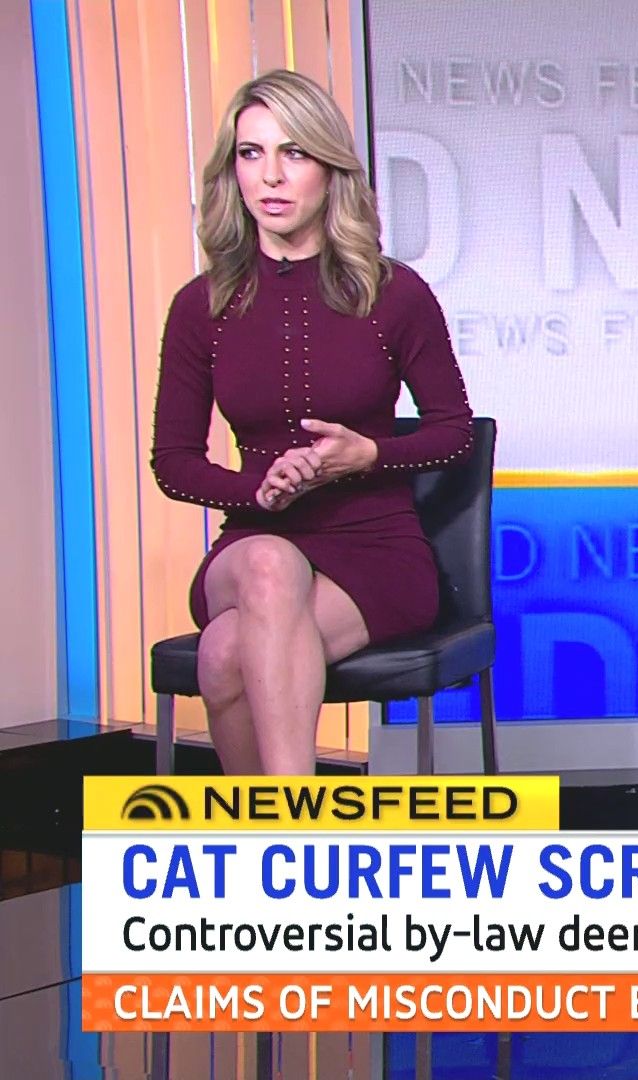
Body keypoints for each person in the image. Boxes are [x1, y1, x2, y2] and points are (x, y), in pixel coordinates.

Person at [150, 69, 473, 776]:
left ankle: (268, 831)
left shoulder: (394, 294)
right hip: (251, 546)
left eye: (293, 153)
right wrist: (256, 491)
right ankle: (302, 823)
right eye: (251, 153)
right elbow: (172, 461)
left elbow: (454, 431)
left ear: (329, 169)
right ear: (232, 170)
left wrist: (368, 455)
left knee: (225, 652)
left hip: (375, 549)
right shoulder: (201, 306)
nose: (270, 175)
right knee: (270, 564)